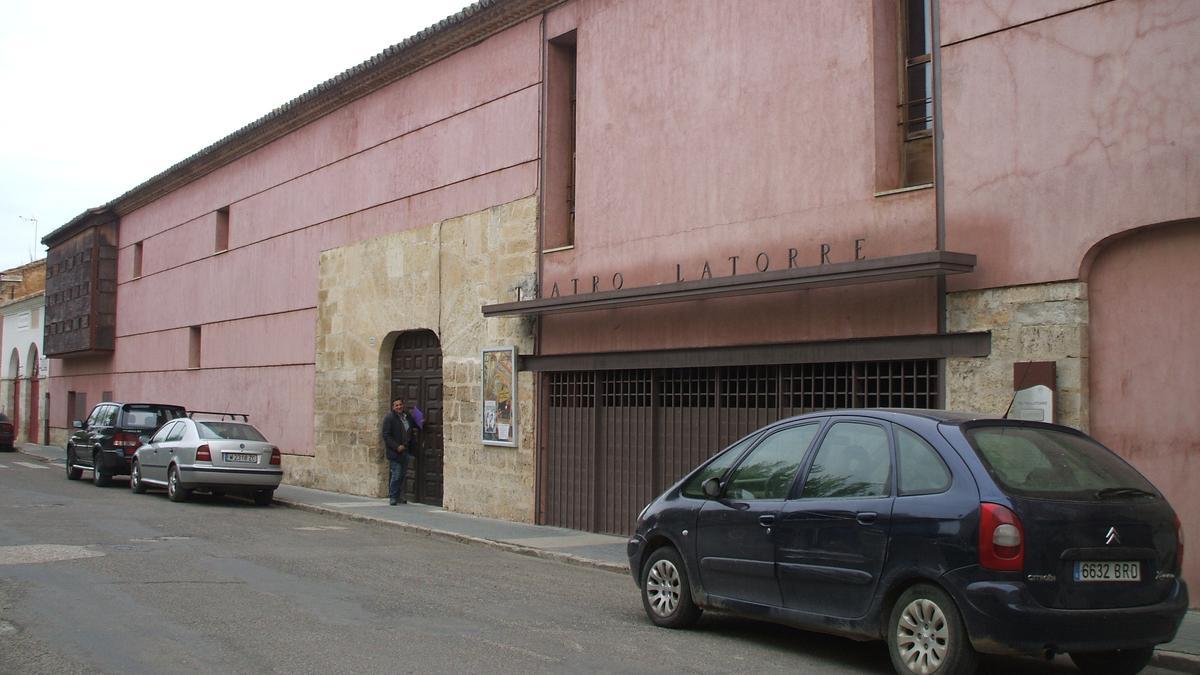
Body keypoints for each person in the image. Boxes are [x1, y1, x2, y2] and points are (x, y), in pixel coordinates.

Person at [381, 397, 418, 505]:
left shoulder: (407, 416)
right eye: (396, 405)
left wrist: (422, 422)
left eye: (400, 405)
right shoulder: (389, 418)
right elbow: (386, 435)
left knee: (402, 475)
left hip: (406, 450)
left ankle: (398, 496)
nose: (399, 407)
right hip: (395, 452)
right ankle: (393, 497)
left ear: (403, 405)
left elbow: (413, 425)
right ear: (393, 407)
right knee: (396, 474)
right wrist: (396, 447)